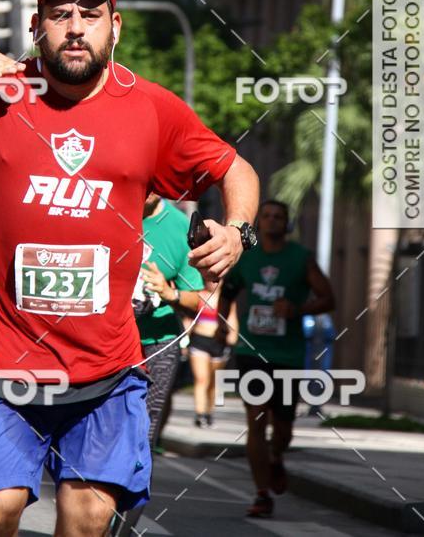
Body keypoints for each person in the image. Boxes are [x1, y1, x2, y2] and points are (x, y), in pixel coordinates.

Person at [0, 0, 259, 537]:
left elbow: (236, 169)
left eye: (90, 14)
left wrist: (236, 230)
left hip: (104, 367)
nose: (75, 26)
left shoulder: (151, 108)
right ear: (36, 27)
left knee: (87, 519)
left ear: (115, 27)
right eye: (59, 14)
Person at [218, 199, 335, 519]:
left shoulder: (301, 259)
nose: (271, 221)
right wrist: (221, 326)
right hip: (251, 351)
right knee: (256, 421)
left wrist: (297, 310)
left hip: (288, 355)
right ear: (259, 223)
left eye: (278, 217)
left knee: (283, 428)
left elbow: (328, 298)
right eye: (266, 216)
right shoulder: (248, 256)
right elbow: (227, 291)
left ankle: (277, 457)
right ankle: (261, 493)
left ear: (287, 224)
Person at [113, 192, 203, 536]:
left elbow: (199, 299)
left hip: (157, 345)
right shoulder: (109, 210)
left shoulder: (180, 227)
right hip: (106, 340)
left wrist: (170, 294)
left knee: (143, 434)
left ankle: (124, 523)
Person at [189, 274, 235, 428]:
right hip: (199, 340)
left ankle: (209, 412)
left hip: (218, 342)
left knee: (214, 382)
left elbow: (233, 319)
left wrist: (233, 336)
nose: (213, 282)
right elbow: (189, 319)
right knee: (201, 379)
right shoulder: (199, 296)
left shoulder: (227, 300)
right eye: (210, 279)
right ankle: (200, 413)